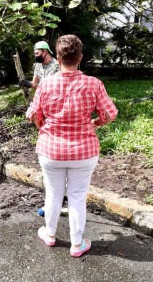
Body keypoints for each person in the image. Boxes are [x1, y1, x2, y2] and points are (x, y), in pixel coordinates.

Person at [26, 35, 118, 257]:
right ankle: (77, 244)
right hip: (84, 151)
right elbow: (109, 115)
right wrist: (94, 122)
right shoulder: (93, 84)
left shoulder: (46, 84)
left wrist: (44, 127)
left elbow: (34, 116)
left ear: (58, 58)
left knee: (54, 193)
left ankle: (50, 234)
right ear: (81, 58)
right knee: (77, 196)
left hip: (51, 150)